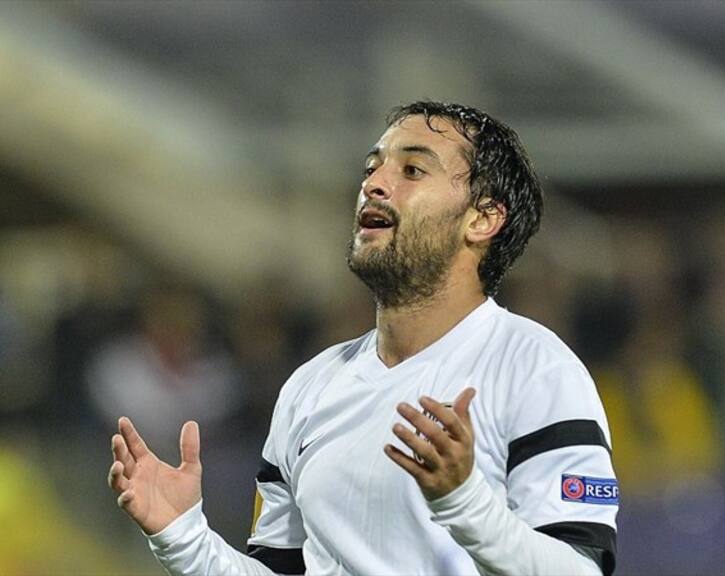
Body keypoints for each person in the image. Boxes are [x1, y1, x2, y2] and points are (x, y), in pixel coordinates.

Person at [108, 101, 619, 576]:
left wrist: (464, 503)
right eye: (372, 167)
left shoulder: (537, 370)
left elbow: (582, 568)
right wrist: (185, 540)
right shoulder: (310, 387)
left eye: (412, 169)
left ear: (483, 218)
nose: (375, 183)